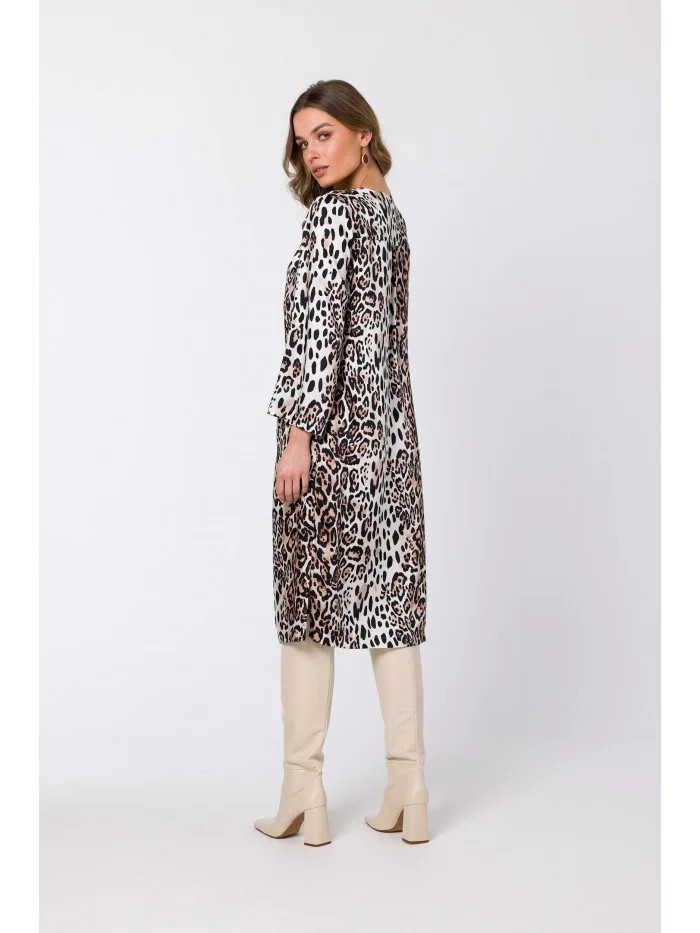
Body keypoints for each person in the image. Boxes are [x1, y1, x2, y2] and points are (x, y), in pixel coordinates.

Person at [254, 80, 429, 846]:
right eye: (303, 142)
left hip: (327, 446)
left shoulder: (332, 218)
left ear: (363, 131)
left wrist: (298, 437)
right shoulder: (390, 219)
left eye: (323, 134)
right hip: (390, 446)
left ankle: (304, 792)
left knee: (305, 612)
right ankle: (410, 789)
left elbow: (318, 335)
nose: (312, 154)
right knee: (391, 611)